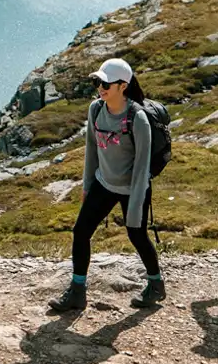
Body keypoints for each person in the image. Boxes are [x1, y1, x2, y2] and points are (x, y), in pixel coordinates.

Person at [48, 57, 166, 313]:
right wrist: (87, 185)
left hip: (132, 188)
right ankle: (77, 291)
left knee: (137, 234)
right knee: (81, 232)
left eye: (105, 83)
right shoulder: (96, 109)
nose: (100, 88)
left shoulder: (138, 119)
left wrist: (134, 207)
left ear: (123, 86)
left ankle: (156, 284)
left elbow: (142, 167)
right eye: (97, 82)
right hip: (104, 183)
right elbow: (91, 149)